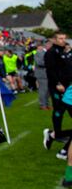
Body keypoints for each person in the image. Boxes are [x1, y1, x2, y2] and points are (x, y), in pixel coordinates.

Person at [43, 31, 72, 159]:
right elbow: (51, 70)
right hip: (58, 87)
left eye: (64, 38)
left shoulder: (64, 51)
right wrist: (57, 83)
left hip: (67, 86)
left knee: (63, 110)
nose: (62, 40)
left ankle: (55, 135)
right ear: (54, 39)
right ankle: (57, 135)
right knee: (59, 110)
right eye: (60, 38)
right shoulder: (51, 53)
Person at [35, 41, 51, 110]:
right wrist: (50, 63)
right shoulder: (38, 53)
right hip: (42, 74)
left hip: (47, 73)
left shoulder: (46, 52)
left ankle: (47, 104)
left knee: (48, 90)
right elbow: (39, 63)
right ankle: (42, 105)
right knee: (43, 90)